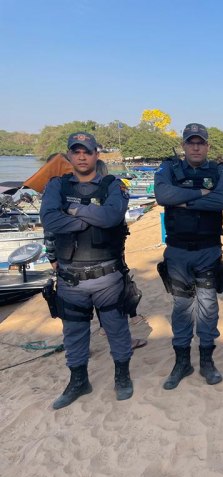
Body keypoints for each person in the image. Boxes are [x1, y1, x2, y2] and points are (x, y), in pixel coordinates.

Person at [40, 132, 133, 409]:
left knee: (117, 329)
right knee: (74, 332)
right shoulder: (57, 185)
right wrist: (88, 217)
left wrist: (71, 211)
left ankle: (122, 376)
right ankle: (79, 381)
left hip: (108, 276)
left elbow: (112, 217)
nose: (81, 156)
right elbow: (49, 219)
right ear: (69, 155)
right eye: (76, 151)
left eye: (87, 151)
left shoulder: (112, 185)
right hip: (70, 278)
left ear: (96, 155)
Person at [154, 123, 223, 389]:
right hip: (177, 252)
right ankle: (182, 362)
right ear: (184, 145)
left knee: (209, 307)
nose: (196, 147)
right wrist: (200, 193)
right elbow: (163, 195)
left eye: (201, 142)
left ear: (208, 146)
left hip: (208, 250)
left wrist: (182, 199)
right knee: (181, 307)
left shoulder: (218, 170)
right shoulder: (169, 169)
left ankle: (207, 361)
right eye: (191, 142)